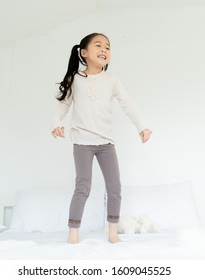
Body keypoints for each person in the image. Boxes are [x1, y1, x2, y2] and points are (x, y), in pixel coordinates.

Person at [52, 33, 152, 244]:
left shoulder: (111, 79)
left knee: (115, 187)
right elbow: (63, 104)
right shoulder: (76, 79)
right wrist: (56, 123)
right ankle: (73, 233)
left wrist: (141, 126)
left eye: (108, 47)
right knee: (83, 187)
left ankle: (113, 233)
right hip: (82, 142)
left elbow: (128, 103)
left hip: (106, 143)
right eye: (98, 45)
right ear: (84, 53)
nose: (104, 50)